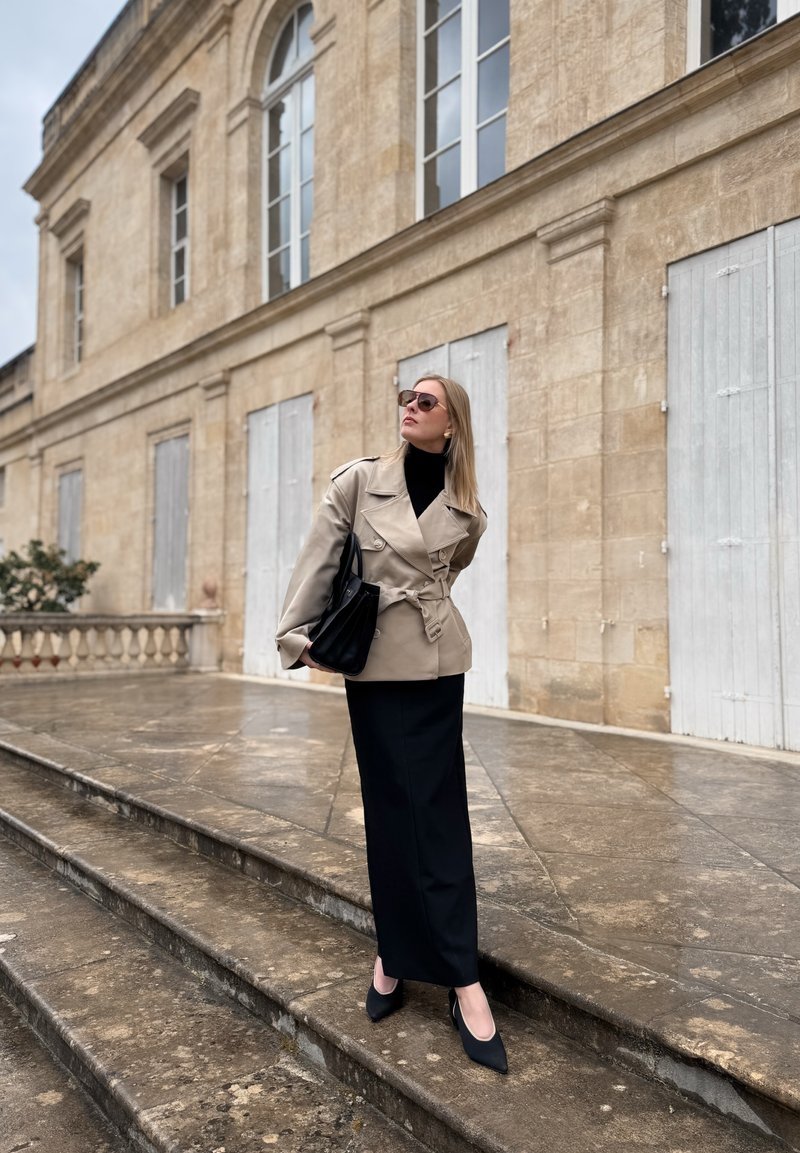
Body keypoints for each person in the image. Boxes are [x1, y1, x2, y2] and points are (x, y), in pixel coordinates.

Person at [275, 374, 507, 1074]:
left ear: (452, 424)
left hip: (437, 666)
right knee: (389, 812)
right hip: (375, 669)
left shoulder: (470, 512)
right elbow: (318, 560)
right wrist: (295, 633)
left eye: (426, 401)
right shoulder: (358, 481)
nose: (410, 407)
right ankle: (391, 955)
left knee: (439, 816)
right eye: (406, 398)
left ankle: (464, 977)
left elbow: (446, 578)